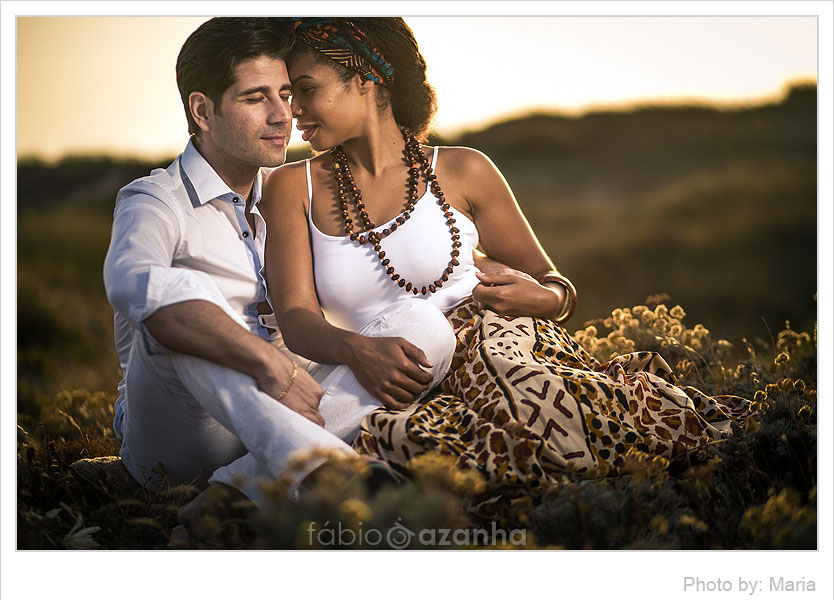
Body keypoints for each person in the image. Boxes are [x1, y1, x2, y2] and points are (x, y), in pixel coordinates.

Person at [261, 17, 753, 513]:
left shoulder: (464, 169)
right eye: (285, 94)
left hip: (497, 349)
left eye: (304, 89)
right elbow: (297, 319)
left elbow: (556, 286)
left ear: (366, 75)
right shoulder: (289, 187)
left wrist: (542, 297)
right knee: (420, 464)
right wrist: (357, 349)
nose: (291, 110)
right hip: (383, 379)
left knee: (534, 415)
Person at [102, 17, 404, 547]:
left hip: (289, 410)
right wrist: (262, 358)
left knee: (418, 324)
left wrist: (477, 266)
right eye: (256, 98)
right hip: (180, 430)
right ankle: (324, 470)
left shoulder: (292, 192)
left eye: (287, 94)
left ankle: (237, 493)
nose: (283, 115)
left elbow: (379, 267)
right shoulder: (154, 200)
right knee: (186, 302)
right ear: (202, 110)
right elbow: (133, 284)